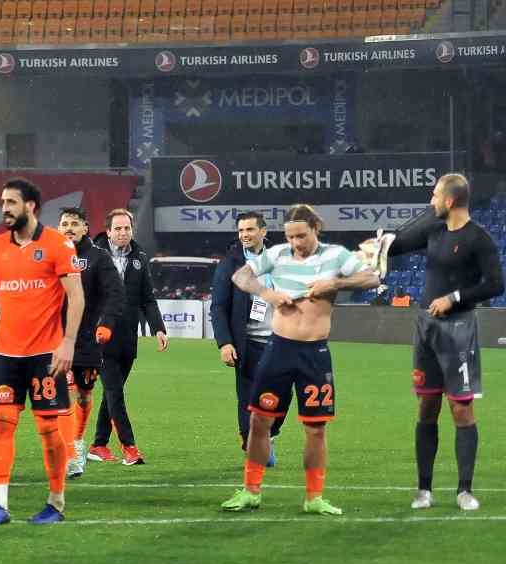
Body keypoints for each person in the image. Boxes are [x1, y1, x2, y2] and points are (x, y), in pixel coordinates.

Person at [221, 205, 380, 516]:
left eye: (301, 236)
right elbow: (241, 276)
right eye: (291, 236)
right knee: (259, 421)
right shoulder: (277, 254)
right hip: (278, 349)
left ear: (315, 229)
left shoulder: (335, 256)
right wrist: (266, 293)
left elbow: (371, 278)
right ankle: (251, 491)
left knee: (316, 429)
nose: (295, 243)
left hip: (314, 353)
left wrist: (334, 284)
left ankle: (314, 497)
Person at [375, 174, 503, 511]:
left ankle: (464, 490)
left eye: (434, 196)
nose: (430, 202)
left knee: (461, 407)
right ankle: (424, 490)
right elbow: (398, 244)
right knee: (426, 406)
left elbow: (495, 284)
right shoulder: (433, 230)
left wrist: (455, 297)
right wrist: (379, 244)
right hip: (426, 327)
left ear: (449, 201)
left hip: (459, 327)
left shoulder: (479, 238)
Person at [0, 178, 85, 526]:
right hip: (6, 354)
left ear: (31, 206)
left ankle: (56, 502)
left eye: (12, 202)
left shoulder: (57, 245)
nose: (4, 208)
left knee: (49, 430)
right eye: (2, 202)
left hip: (45, 356)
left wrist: (68, 342)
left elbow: (76, 297)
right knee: (2, 425)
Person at [89, 210, 167, 466]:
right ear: (108, 231)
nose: (123, 233)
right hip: (100, 335)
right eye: (118, 229)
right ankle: (130, 447)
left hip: (127, 337)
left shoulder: (140, 258)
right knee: (114, 391)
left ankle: (99, 444)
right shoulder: (93, 256)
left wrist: (158, 328)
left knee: (113, 391)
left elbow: (147, 298)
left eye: (127, 228)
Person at [210, 211, 283, 468]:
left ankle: (269, 436)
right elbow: (218, 307)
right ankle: (252, 443)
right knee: (249, 398)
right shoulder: (230, 264)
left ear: (263, 232)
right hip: (247, 343)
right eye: (241, 231)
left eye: (250, 230)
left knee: (280, 396)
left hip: (280, 341)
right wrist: (225, 342)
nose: (244, 235)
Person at [55, 207, 123, 479]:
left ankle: (78, 440)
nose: (69, 228)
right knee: (64, 392)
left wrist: (106, 323)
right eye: (64, 223)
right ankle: (70, 454)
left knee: (83, 394)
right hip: (56, 337)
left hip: (88, 338)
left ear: (85, 228)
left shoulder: (98, 258)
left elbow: (115, 294)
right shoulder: (50, 255)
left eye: (74, 223)